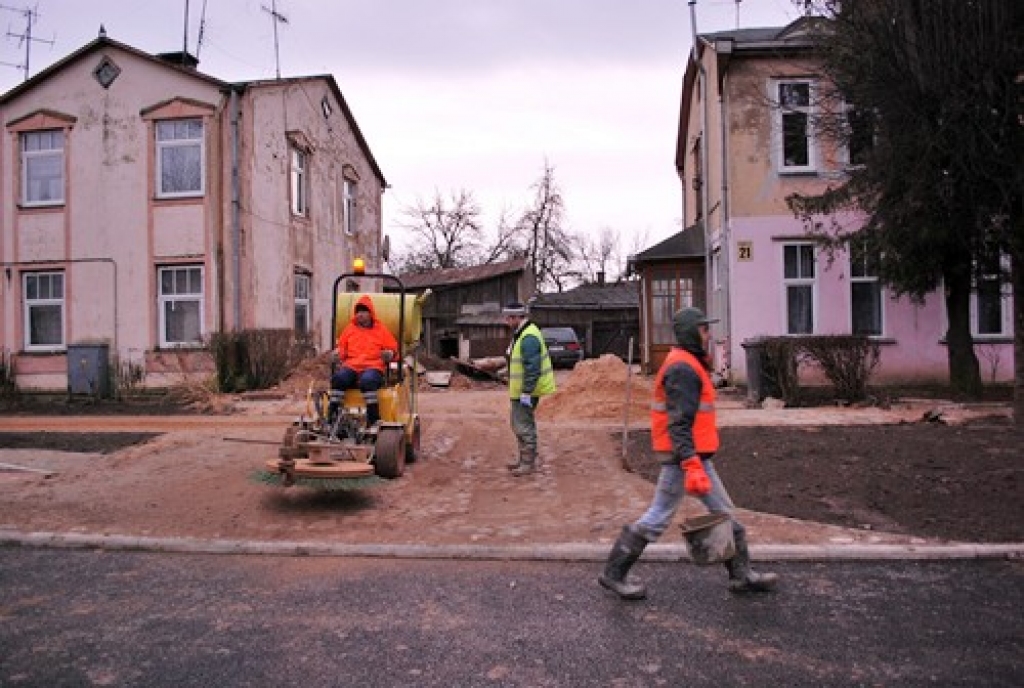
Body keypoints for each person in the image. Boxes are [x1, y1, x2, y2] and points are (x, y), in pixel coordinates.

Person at [599, 307, 778, 599]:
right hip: (684, 459)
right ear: (691, 333)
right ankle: (613, 573)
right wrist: (691, 463)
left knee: (725, 513)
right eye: (704, 330)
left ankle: (741, 575)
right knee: (657, 516)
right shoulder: (682, 368)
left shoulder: (689, 363)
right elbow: (679, 423)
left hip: (693, 457)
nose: (708, 335)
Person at [503, 301, 556, 476]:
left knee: (523, 426)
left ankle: (527, 463)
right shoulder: (522, 334)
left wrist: (526, 390)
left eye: (509, 318)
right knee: (519, 424)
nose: (506, 321)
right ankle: (524, 459)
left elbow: (533, 367)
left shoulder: (528, 337)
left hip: (525, 392)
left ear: (517, 317)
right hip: (520, 390)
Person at [331, 294, 399, 427]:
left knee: (368, 381)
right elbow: (342, 351)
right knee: (338, 378)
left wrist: (390, 354)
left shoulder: (381, 330)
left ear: (370, 313)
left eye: (363, 311)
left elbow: (394, 350)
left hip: (373, 366)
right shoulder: (349, 330)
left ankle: (373, 419)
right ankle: (333, 415)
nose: (360, 315)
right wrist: (337, 354)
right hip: (351, 366)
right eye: (358, 312)